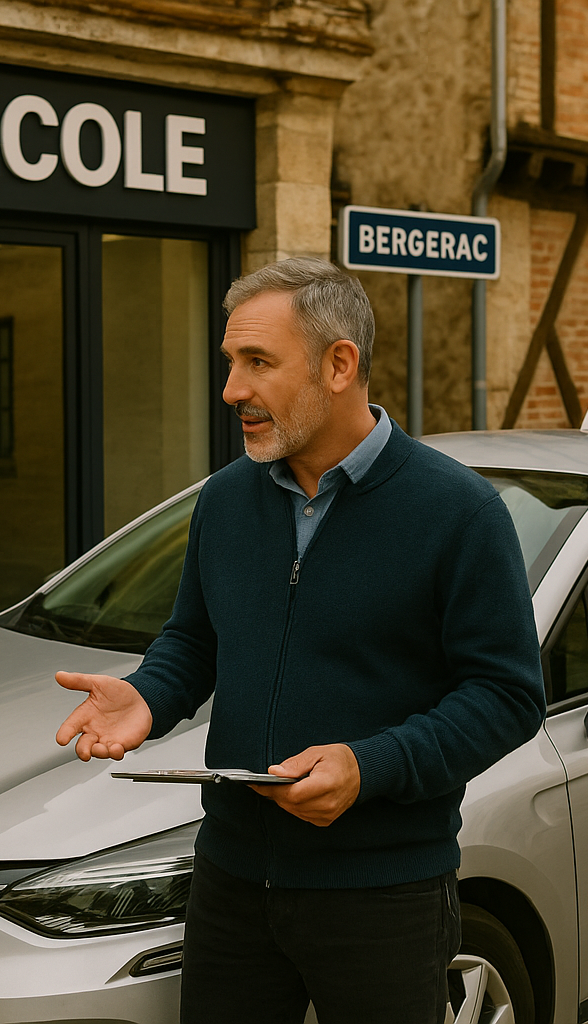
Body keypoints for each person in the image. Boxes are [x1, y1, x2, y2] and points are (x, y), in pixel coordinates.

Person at [54, 257, 546, 1024]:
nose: (231, 391)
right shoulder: (224, 500)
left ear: (339, 364)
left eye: (258, 363)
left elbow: (509, 697)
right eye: (230, 363)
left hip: (383, 896)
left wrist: (368, 764)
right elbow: (194, 640)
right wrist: (148, 696)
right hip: (230, 885)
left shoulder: (459, 513)